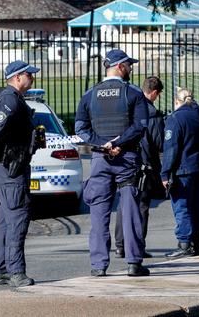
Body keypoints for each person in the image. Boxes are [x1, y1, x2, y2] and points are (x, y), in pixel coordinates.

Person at [75, 49, 150, 277]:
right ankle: (134, 262)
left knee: (98, 212)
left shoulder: (89, 95)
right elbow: (140, 126)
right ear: (120, 66)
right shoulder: (133, 93)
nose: (131, 68)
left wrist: (103, 144)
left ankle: (98, 265)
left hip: (100, 159)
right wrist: (118, 142)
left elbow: (80, 129)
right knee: (130, 211)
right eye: (129, 64)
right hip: (126, 158)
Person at [0, 60, 42, 287]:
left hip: (12, 165)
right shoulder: (9, 100)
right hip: (11, 167)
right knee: (18, 216)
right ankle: (16, 271)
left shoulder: (15, 100)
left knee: (7, 219)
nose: (33, 78)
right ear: (18, 77)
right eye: (29, 74)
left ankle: (1, 270)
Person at [114, 76, 165, 259]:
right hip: (145, 164)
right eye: (157, 94)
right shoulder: (152, 114)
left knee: (124, 203)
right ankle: (137, 246)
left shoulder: (129, 107)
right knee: (142, 205)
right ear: (154, 93)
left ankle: (120, 245)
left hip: (126, 160)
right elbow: (159, 143)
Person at [161, 87, 199, 259]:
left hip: (182, 169)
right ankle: (196, 243)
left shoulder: (175, 119)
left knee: (182, 206)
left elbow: (171, 149)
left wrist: (165, 173)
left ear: (176, 101)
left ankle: (184, 244)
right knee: (197, 206)